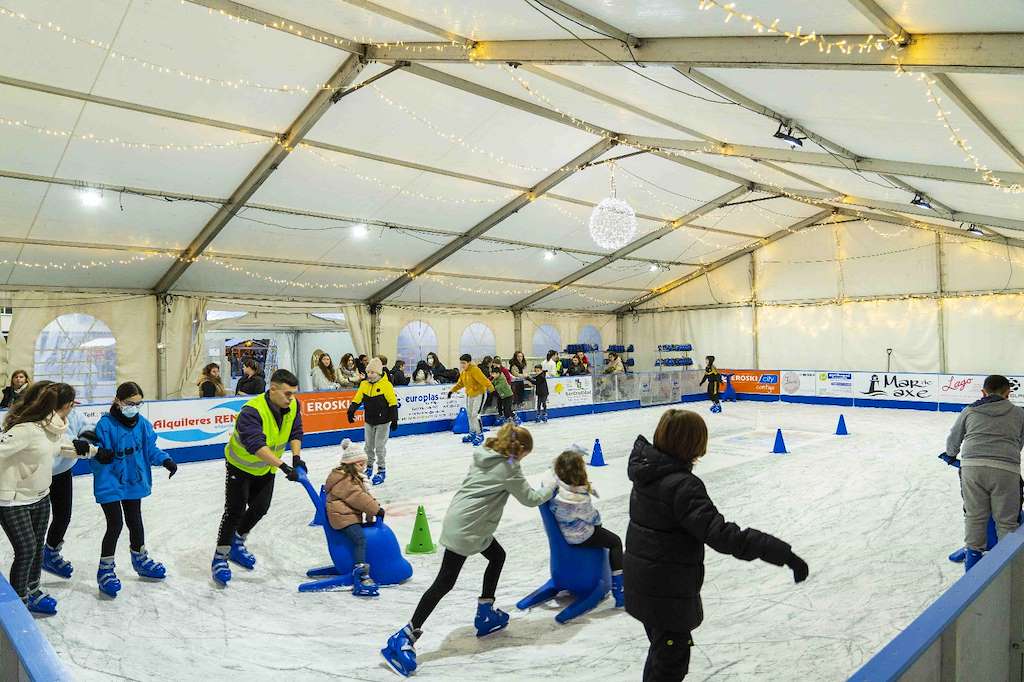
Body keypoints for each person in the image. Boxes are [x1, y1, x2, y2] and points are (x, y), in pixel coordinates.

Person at [625, 409, 808, 681]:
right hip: (666, 594)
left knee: (661, 655)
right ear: (692, 443)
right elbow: (722, 535)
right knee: (669, 664)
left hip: (643, 585)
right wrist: (783, 553)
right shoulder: (682, 486)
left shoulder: (647, 475)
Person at [380, 423, 555, 677]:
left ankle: (486, 612)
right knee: (444, 583)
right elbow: (530, 499)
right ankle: (404, 636)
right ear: (519, 450)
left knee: (497, 556)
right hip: (468, 529)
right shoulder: (509, 467)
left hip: (465, 522)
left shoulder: (485, 453)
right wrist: (552, 484)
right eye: (526, 453)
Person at [0, 382, 99, 615]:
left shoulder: (53, 428)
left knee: (35, 548)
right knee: (25, 550)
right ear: (60, 406)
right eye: (70, 404)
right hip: (14, 500)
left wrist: (95, 452)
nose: (73, 408)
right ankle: (19, 602)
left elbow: (63, 447)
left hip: (40, 495)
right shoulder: (26, 429)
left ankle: (33, 590)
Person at [212, 369, 307, 586]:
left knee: (260, 507)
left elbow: (296, 431)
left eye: (294, 393)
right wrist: (284, 466)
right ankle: (220, 556)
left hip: (266, 468)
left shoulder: (292, 406)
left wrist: (297, 458)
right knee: (234, 511)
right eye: (287, 393)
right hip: (241, 466)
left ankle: (237, 541)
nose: (291, 398)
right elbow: (256, 445)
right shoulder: (252, 411)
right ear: (273, 389)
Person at [91, 381, 177, 598]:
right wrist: (101, 455)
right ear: (118, 401)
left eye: (139, 404)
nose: (135, 408)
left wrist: (165, 460)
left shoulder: (143, 425)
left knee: (135, 521)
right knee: (115, 523)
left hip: (133, 480)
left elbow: (150, 449)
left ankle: (140, 559)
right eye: (130, 403)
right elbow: (94, 454)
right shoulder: (105, 425)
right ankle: (105, 569)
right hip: (110, 481)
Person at [945, 374, 1024, 570]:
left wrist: (950, 454)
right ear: (1008, 393)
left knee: (974, 516)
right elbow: (1020, 441)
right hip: (1006, 469)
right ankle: (1007, 568)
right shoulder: (1019, 413)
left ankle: (972, 563)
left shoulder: (970, 410)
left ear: (983, 392)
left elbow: (954, 438)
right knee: (1006, 521)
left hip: (972, 467)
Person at [550, 446, 624, 607]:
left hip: (564, 532)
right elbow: (594, 519)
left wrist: (568, 453)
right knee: (615, 542)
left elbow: (554, 467)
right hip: (582, 536)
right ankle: (620, 588)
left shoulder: (556, 488)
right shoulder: (579, 498)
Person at [41, 392, 95, 580]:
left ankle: (51, 552)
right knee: (36, 520)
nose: (72, 408)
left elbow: (86, 427)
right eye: (70, 404)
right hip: (37, 475)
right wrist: (73, 443)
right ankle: (30, 559)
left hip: (62, 474)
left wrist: (85, 439)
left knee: (63, 515)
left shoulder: (73, 414)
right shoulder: (39, 417)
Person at [326, 438, 385, 597]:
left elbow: (363, 496)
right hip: (342, 516)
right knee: (360, 539)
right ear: (352, 463)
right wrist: (376, 510)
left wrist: (375, 508)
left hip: (345, 513)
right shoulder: (346, 479)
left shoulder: (347, 476)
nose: (364, 468)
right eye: (361, 464)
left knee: (361, 536)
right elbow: (359, 498)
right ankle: (361, 573)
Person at [347, 358, 398, 486]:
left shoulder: (386, 385)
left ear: (379, 373)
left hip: (383, 422)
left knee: (379, 447)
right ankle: (369, 467)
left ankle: (381, 470)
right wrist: (351, 410)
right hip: (369, 420)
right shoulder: (364, 385)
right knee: (368, 446)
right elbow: (357, 399)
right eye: (368, 372)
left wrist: (394, 419)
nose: (369, 375)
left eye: (372, 373)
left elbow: (393, 403)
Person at [448, 354, 493, 446]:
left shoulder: (475, 370)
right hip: (470, 395)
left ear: (469, 362)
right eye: (461, 363)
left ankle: (480, 434)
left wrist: (491, 388)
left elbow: (484, 380)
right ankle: (472, 433)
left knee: (475, 414)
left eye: (464, 363)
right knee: (469, 414)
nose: (462, 365)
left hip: (479, 394)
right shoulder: (464, 372)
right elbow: (460, 383)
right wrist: (452, 391)